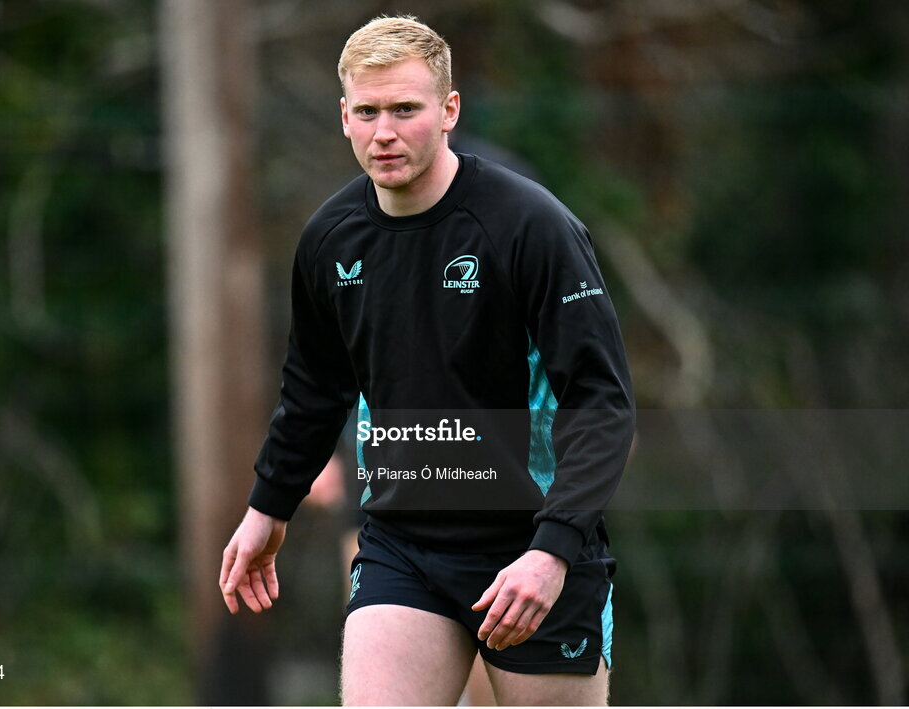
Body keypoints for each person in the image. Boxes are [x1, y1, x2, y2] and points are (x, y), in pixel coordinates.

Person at [219, 15, 635, 706]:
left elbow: (601, 402)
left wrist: (553, 548)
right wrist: (269, 506)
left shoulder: (530, 225)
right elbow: (314, 389)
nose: (384, 131)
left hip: (531, 545)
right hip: (402, 547)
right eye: (368, 111)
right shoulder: (330, 238)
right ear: (344, 116)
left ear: (449, 111)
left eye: (405, 109)